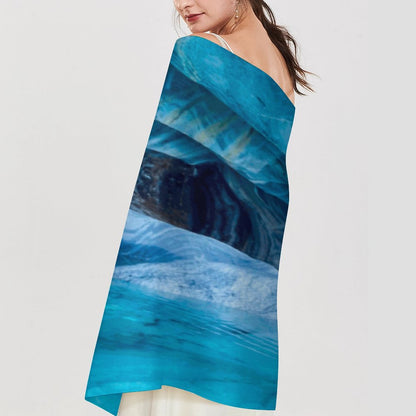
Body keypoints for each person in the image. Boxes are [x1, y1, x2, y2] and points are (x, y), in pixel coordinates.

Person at [85, 1, 315, 415]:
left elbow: (163, 190)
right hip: (248, 276)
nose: (182, 3)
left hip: (185, 286)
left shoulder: (199, 51)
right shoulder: (282, 66)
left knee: (172, 392)